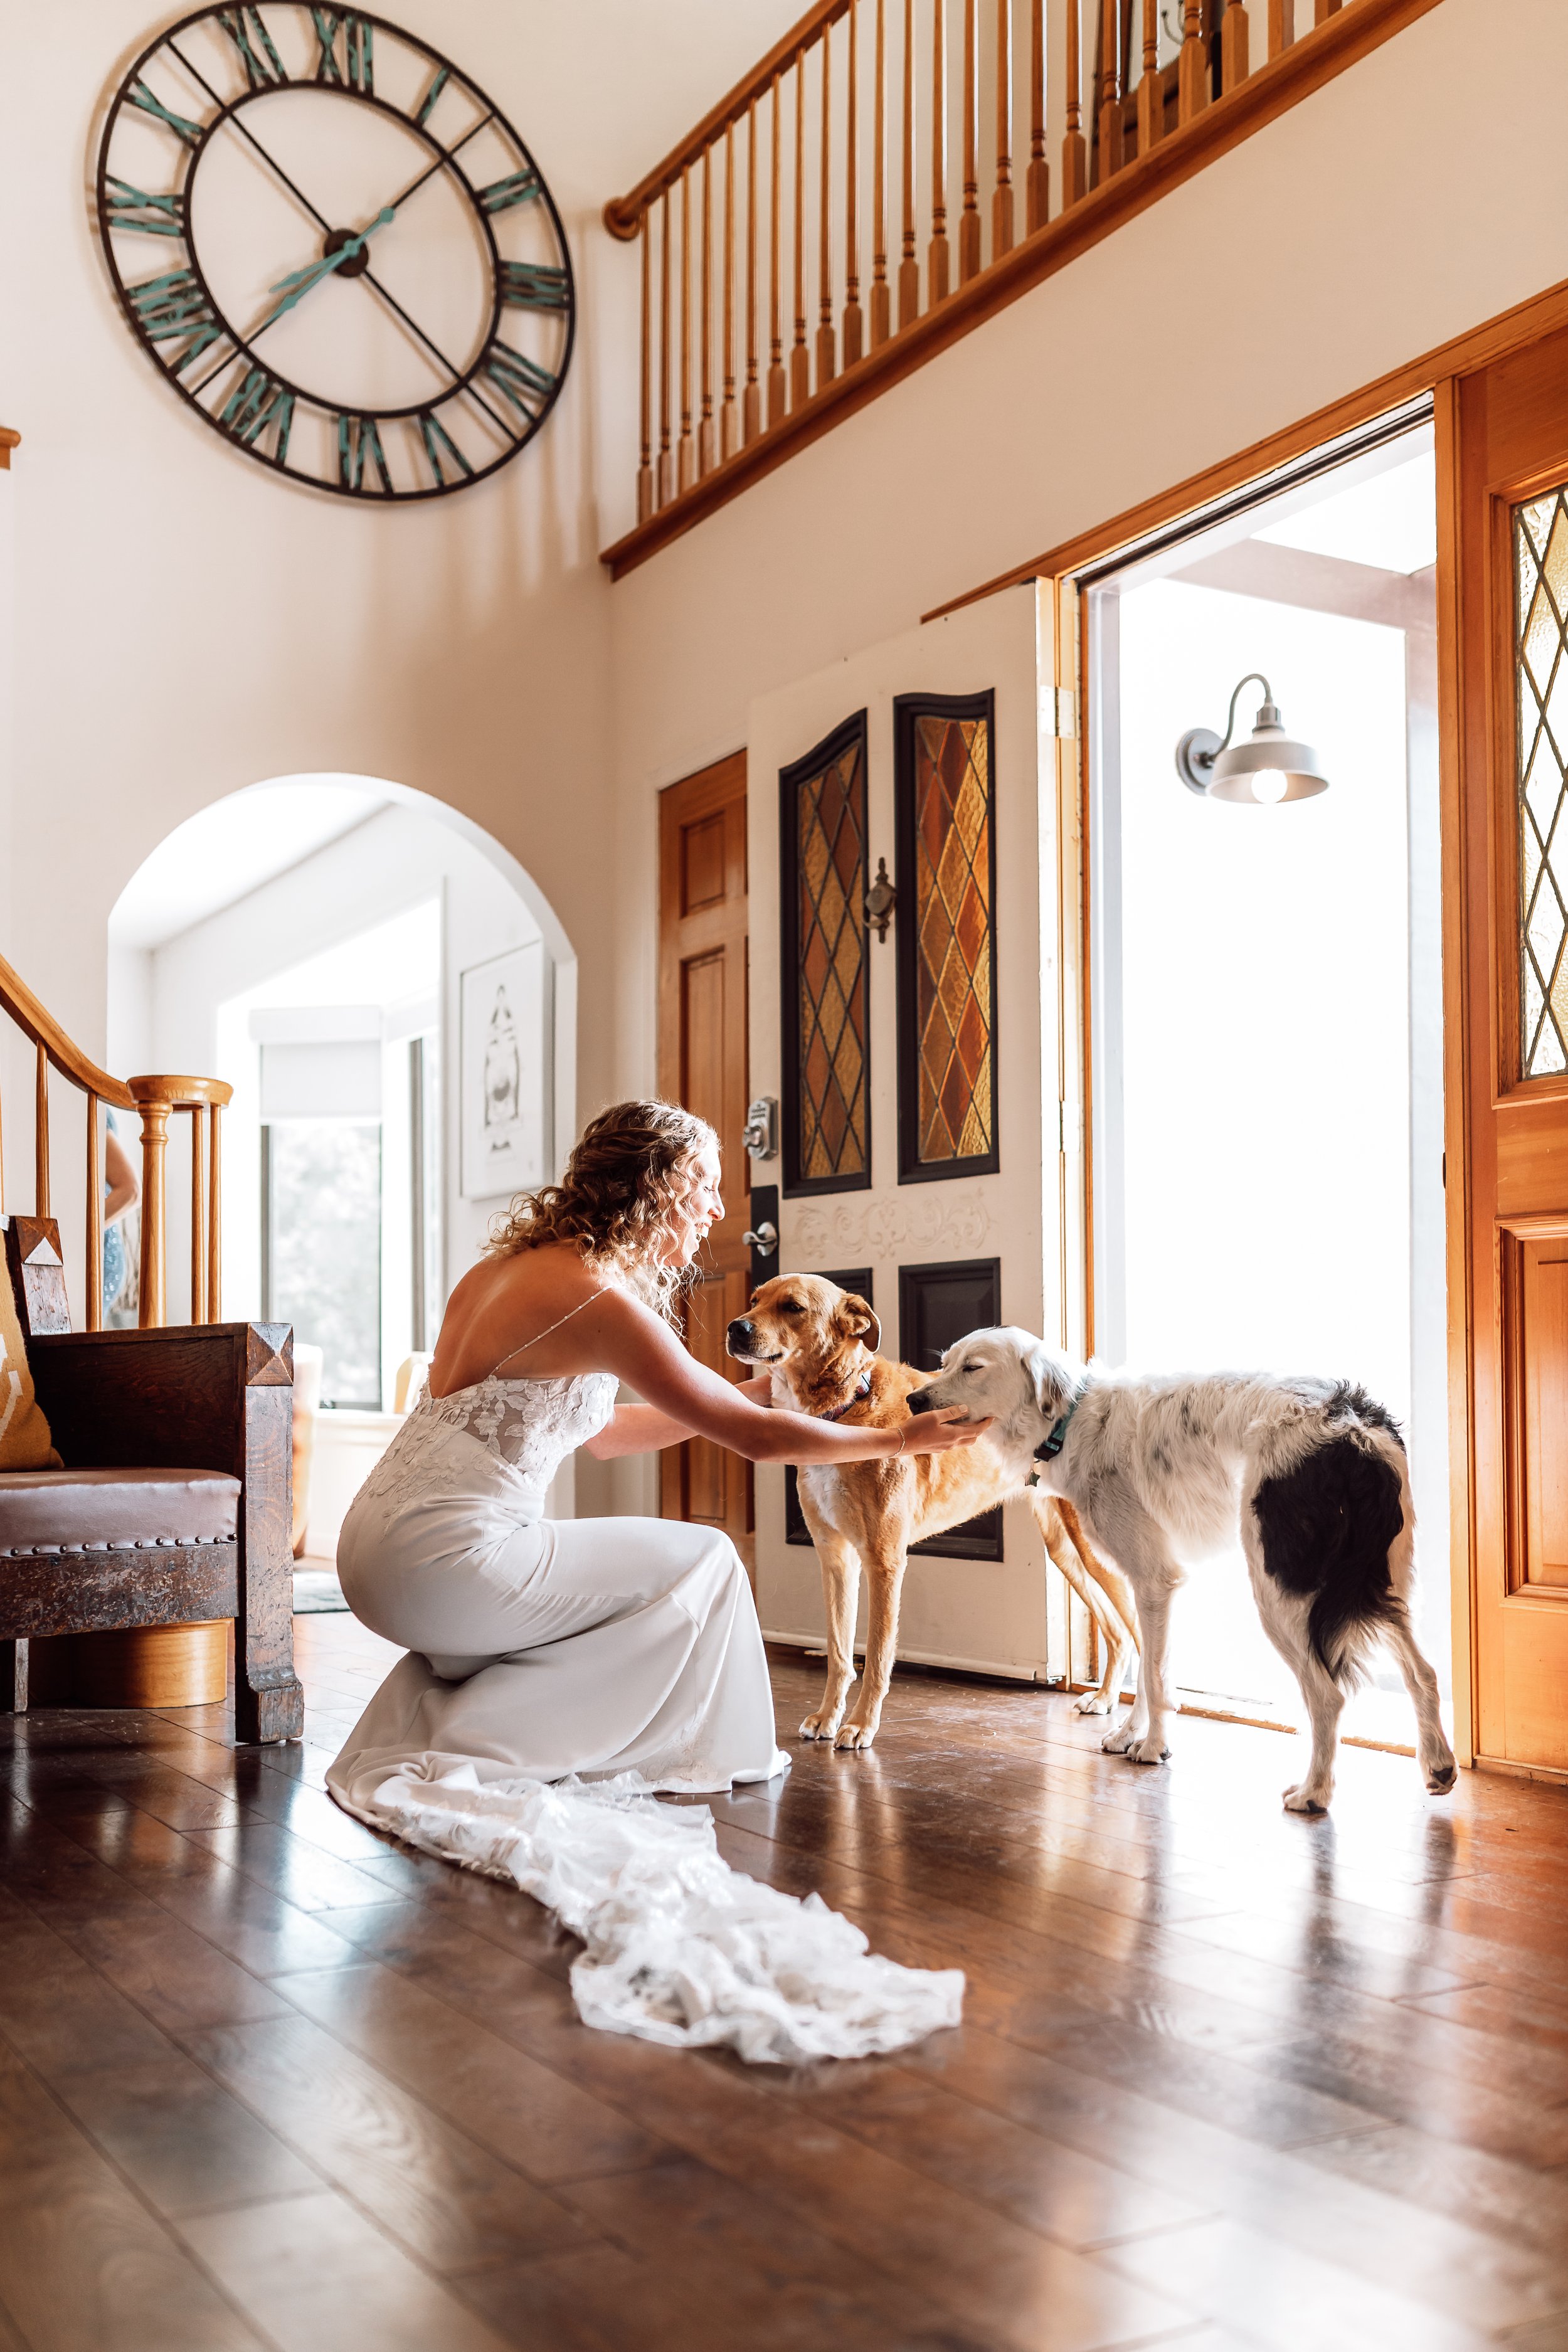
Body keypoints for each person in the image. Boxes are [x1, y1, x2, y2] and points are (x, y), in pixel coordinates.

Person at [327, 1099, 988, 2062]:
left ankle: (481, 1718)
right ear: (661, 1188)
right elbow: (756, 1440)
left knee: (662, 1566)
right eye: (708, 1185)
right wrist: (901, 1434)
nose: (718, 1207)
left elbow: (599, 1427)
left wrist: (747, 1394)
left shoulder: (508, 1272)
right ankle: (490, 1741)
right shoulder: (600, 1297)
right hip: (446, 1559)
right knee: (709, 1558)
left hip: (378, 1549)